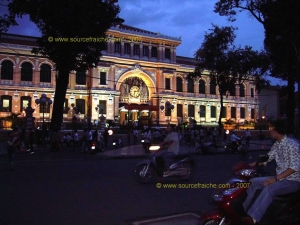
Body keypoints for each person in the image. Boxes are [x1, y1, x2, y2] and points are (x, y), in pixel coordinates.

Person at [242, 121, 300, 225]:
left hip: (292, 180)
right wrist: (249, 165)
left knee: (270, 187)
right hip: (280, 178)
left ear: (275, 131)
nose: (269, 132)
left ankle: (253, 218)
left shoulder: (293, 145)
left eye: (270, 129)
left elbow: (294, 167)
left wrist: (275, 179)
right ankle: (244, 210)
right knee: (253, 181)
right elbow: (267, 158)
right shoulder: (277, 144)